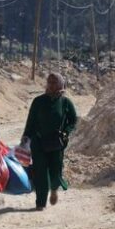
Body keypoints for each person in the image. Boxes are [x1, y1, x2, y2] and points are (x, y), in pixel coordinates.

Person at [21, 73, 77, 211]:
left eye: (55, 82)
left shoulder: (65, 102)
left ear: (61, 84)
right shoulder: (38, 101)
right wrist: (25, 138)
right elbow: (31, 121)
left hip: (57, 143)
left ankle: (54, 189)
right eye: (49, 82)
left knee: (55, 171)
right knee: (39, 172)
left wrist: (66, 132)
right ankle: (40, 203)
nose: (51, 85)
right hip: (38, 142)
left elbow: (73, 120)